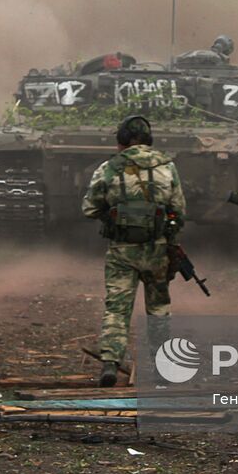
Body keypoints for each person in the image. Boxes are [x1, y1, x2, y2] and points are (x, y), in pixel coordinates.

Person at [81, 114, 188, 386]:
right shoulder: (167, 167)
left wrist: (114, 213)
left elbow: (89, 208)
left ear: (121, 142)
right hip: (157, 250)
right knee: (159, 308)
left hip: (122, 251)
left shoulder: (109, 168)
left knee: (117, 308)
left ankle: (110, 363)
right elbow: (179, 211)